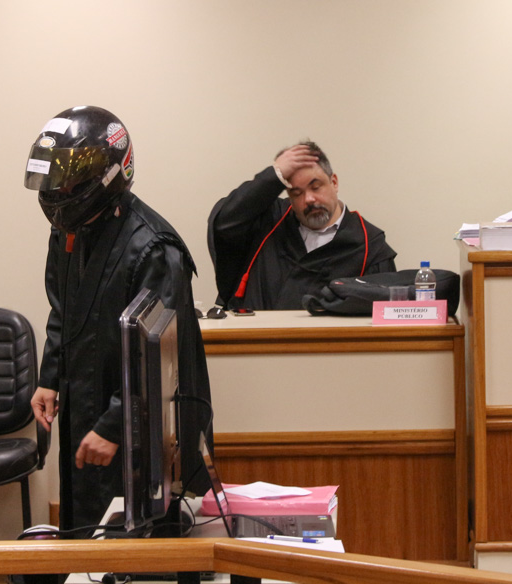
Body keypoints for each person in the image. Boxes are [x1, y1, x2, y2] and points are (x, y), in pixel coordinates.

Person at [24, 106, 212, 532]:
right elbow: (63, 310)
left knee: (132, 538)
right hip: (83, 405)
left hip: (141, 427)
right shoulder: (69, 230)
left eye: (70, 181)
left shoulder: (154, 249)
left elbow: (159, 359)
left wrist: (115, 426)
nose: (60, 190)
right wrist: (49, 377)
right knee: (83, 526)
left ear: (106, 175)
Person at [208, 141, 397, 310]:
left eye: (316, 187)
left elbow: (384, 316)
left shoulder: (369, 246)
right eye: (297, 193)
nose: (309, 199)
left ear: (334, 182)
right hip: (255, 336)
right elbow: (224, 224)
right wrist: (274, 175)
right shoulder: (269, 222)